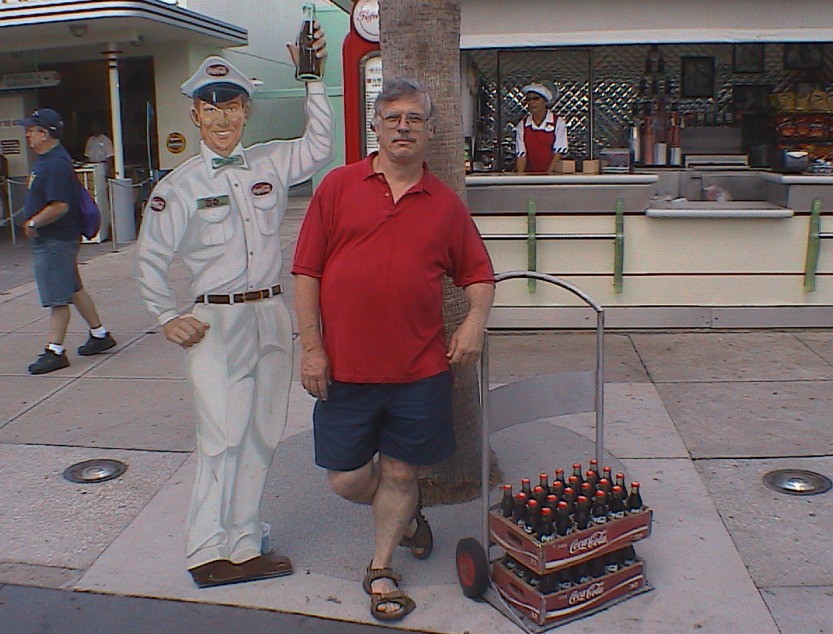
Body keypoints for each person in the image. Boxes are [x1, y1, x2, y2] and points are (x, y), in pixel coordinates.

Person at [292, 77, 495, 622]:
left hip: (418, 370)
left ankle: (380, 567)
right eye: (393, 118)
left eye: (414, 119)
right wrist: (312, 348)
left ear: (429, 132)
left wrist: (474, 322)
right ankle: (405, 518)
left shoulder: (445, 205)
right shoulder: (337, 187)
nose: (403, 127)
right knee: (347, 478)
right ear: (377, 127)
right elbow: (306, 272)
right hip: (346, 370)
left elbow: (479, 275)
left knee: (402, 474)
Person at [135, 33, 334, 588]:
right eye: (211, 106)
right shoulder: (180, 187)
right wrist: (164, 315)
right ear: (195, 114)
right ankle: (205, 549)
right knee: (220, 439)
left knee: (261, 434)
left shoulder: (269, 162)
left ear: (245, 110)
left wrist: (313, 80)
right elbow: (150, 256)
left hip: (269, 314)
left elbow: (319, 144)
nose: (222, 117)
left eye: (232, 105)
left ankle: (243, 543)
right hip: (215, 322)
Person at [19, 108, 117, 375]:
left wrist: (33, 222)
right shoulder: (49, 160)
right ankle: (99, 334)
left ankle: (55, 350)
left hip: (55, 240)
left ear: (46, 133)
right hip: (59, 239)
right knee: (72, 287)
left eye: (32, 129)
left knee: (57, 297)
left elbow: (60, 205)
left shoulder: (54, 164)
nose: (28, 134)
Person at [514, 82, 568, 174]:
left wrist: (548, 176)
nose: (532, 102)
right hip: (530, 177)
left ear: (545, 101)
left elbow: (558, 154)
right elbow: (521, 156)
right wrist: (520, 178)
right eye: (529, 99)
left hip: (553, 176)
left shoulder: (558, 123)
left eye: (536, 99)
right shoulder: (522, 125)